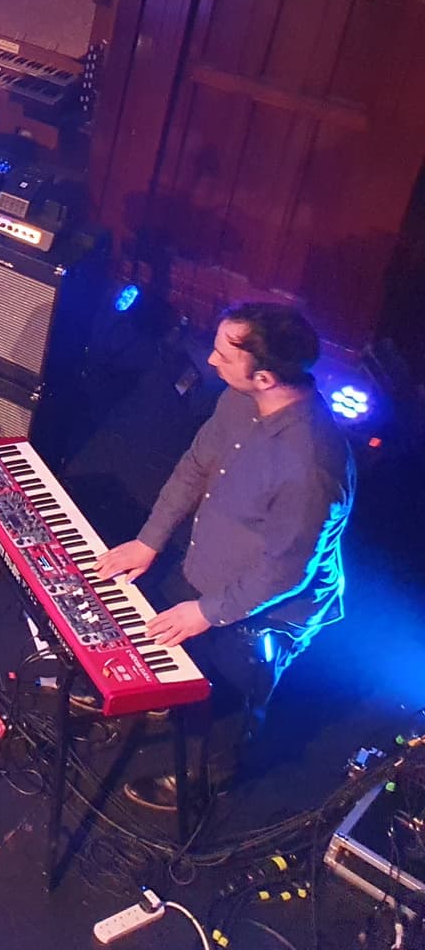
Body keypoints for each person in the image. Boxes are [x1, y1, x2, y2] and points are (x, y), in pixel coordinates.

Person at [94, 303, 354, 809]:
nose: (210, 361)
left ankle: (206, 778)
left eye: (222, 355)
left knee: (231, 703)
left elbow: (286, 570)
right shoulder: (239, 400)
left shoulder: (310, 464)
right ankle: (165, 701)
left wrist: (208, 612)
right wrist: (150, 540)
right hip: (211, 563)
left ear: (265, 378)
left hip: (269, 608)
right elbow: (195, 467)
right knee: (166, 640)